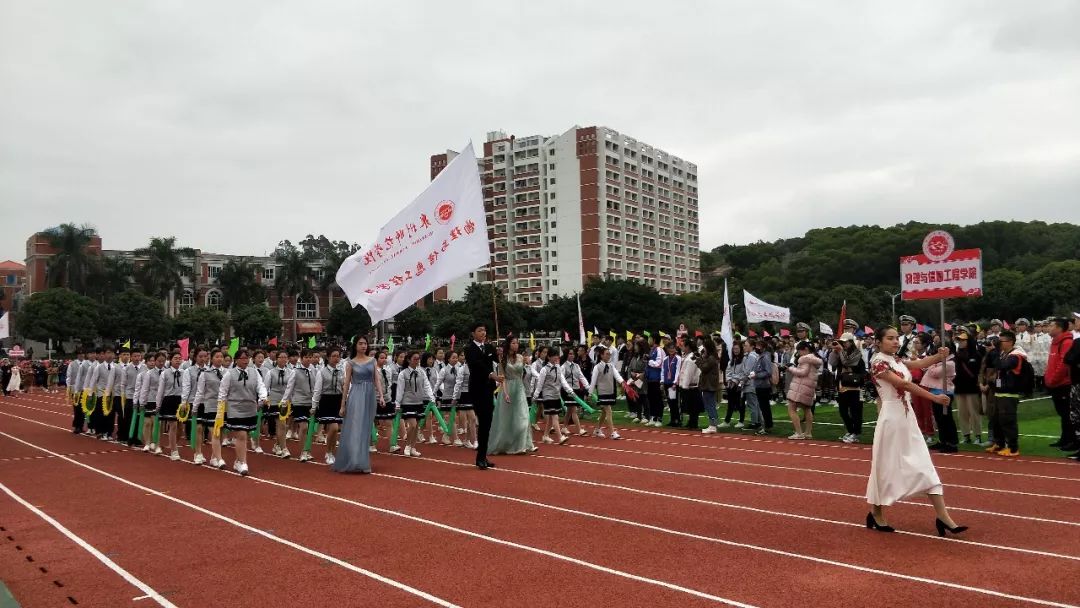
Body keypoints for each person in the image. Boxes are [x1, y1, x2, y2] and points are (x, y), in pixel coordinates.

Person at [865, 327, 966, 537]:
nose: (895, 342)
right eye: (890, 338)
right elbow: (903, 384)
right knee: (886, 467)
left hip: (907, 419)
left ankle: (943, 517)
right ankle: (876, 512)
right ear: (878, 341)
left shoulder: (896, 360)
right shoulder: (878, 362)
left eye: (896, 338)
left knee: (924, 465)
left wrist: (939, 356)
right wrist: (934, 398)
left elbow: (919, 364)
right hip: (891, 419)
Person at [334, 337, 383, 472]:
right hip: (356, 395)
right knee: (356, 426)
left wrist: (381, 395)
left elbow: (376, 379)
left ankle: (362, 460)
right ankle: (354, 460)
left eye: (365, 343)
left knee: (366, 428)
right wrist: (343, 404)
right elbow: (346, 384)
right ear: (355, 345)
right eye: (360, 343)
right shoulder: (350, 363)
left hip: (370, 396)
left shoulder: (372, 361)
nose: (363, 346)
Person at [216, 349, 268, 475]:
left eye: (247, 358)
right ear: (236, 360)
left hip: (250, 408)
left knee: (246, 434)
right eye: (243, 358)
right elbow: (222, 392)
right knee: (241, 435)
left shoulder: (254, 372)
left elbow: (260, 386)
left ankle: (238, 461)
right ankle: (242, 462)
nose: (246, 361)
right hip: (235, 408)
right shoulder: (229, 374)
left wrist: (263, 397)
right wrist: (221, 410)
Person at [489, 335, 536, 454]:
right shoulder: (502, 359)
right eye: (514, 343)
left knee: (523, 417)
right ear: (508, 344)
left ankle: (522, 445)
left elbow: (523, 375)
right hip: (507, 389)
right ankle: (505, 444)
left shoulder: (521, 357)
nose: (516, 345)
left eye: (517, 343)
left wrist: (528, 364)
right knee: (506, 419)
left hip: (519, 389)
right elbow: (502, 378)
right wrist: (505, 393)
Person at [987, 330, 1028, 457]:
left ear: (1010, 342)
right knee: (997, 420)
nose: (999, 343)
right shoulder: (1004, 353)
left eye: (1001, 341)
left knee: (1008, 421)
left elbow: (1002, 366)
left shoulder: (1016, 355)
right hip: (1000, 392)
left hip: (1009, 393)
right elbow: (993, 364)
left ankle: (1013, 448)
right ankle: (999, 443)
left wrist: (994, 352)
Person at [396, 351, 435, 458]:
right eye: (415, 359)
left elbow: (426, 385)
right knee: (412, 425)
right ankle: (407, 446)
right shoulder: (403, 373)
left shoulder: (421, 372)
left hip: (418, 401)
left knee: (417, 426)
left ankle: (413, 447)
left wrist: (431, 397)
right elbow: (400, 389)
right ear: (409, 360)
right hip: (407, 402)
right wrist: (398, 404)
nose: (417, 361)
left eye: (418, 359)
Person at [1044, 318, 1075, 453]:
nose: (1048, 328)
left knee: (1067, 413)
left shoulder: (1066, 342)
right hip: (1055, 384)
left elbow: (1063, 365)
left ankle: (1071, 439)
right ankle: (1065, 438)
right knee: (1063, 413)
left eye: (1051, 325)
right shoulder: (1055, 342)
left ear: (1059, 328)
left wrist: (1053, 380)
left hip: (1062, 384)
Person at [192, 349, 227, 468]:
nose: (220, 359)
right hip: (210, 405)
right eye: (217, 356)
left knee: (221, 432)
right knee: (214, 431)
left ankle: (214, 457)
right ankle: (218, 458)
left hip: (223, 407)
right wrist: (195, 407)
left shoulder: (228, 372)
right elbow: (200, 392)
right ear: (211, 359)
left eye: (221, 356)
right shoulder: (205, 373)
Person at [921, 344, 958, 453]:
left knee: (946, 418)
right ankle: (943, 440)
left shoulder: (950, 363)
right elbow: (925, 368)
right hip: (936, 392)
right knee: (939, 418)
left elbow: (934, 373)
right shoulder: (941, 363)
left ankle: (951, 442)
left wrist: (932, 364)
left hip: (945, 392)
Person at [281, 349, 317, 462]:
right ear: (301, 358)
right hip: (299, 402)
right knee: (304, 427)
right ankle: (303, 451)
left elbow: (317, 386)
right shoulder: (295, 371)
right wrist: (284, 401)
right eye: (306, 357)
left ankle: (308, 450)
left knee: (310, 428)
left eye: (310, 357)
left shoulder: (314, 370)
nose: (309, 359)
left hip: (311, 402)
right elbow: (289, 387)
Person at [830, 333, 866, 443]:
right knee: (843, 411)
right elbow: (832, 363)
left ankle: (856, 433)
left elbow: (848, 362)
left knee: (855, 411)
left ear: (851, 342)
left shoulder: (857, 353)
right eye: (842, 342)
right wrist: (834, 351)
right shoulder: (840, 352)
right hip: (843, 385)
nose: (844, 344)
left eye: (846, 342)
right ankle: (851, 431)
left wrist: (841, 351)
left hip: (855, 386)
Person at [952, 328, 986, 446]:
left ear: (968, 341)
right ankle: (966, 435)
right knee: (962, 413)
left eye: (962, 340)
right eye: (959, 340)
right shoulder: (956, 355)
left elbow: (978, 371)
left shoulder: (975, 355)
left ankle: (978, 435)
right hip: (959, 387)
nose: (960, 342)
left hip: (972, 388)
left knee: (974, 412)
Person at [313, 347, 346, 465]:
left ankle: (332, 452)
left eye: (338, 356)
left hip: (338, 400)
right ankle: (328, 452)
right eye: (334, 356)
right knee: (334, 428)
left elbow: (345, 387)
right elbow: (317, 390)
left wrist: (345, 401)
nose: (336, 358)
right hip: (326, 400)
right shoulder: (321, 372)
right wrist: (314, 405)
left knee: (335, 429)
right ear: (328, 357)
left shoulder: (342, 371)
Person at [533, 349, 570, 445]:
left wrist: (569, 390)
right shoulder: (544, 369)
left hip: (556, 395)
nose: (556, 357)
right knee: (555, 416)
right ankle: (560, 437)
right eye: (554, 355)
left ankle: (545, 436)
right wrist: (535, 395)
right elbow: (540, 385)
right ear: (549, 357)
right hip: (548, 395)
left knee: (550, 417)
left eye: (557, 355)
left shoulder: (558, 368)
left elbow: (563, 381)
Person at [785, 341, 821, 440]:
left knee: (791, 408)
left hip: (801, 386)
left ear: (805, 349)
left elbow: (803, 372)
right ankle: (808, 433)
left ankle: (799, 433)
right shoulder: (814, 359)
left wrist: (791, 368)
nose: (798, 353)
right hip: (809, 386)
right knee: (807, 409)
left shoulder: (805, 359)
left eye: (799, 351)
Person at [589, 347, 627, 439]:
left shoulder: (611, 366)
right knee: (609, 411)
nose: (609, 355)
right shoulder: (597, 367)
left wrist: (623, 382)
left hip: (610, 391)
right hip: (602, 392)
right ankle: (612, 432)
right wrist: (590, 393)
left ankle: (597, 429)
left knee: (604, 412)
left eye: (609, 354)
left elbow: (617, 375)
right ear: (601, 355)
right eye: (607, 354)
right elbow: (593, 381)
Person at [696, 337, 723, 434]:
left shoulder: (711, 358)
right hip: (708, 384)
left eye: (705, 347)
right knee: (710, 404)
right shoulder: (711, 357)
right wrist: (702, 357)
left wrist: (698, 360)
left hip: (709, 385)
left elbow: (704, 368)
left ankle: (713, 425)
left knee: (710, 405)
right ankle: (713, 424)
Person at [1064, 313, 1080, 461]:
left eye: (1077, 320)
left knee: (1076, 415)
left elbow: (1068, 358)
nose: (1075, 322)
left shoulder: (1078, 342)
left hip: (1078, 383)